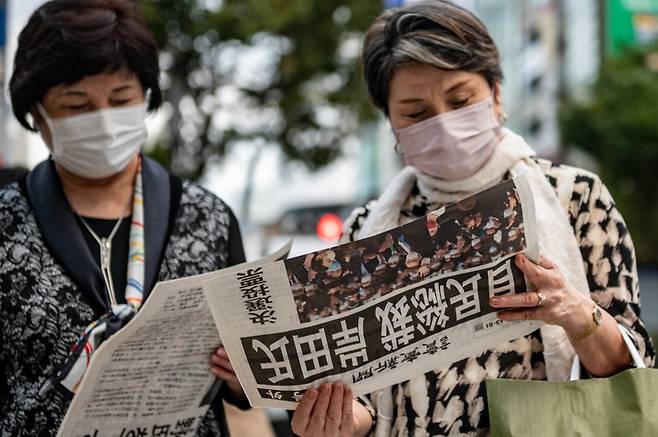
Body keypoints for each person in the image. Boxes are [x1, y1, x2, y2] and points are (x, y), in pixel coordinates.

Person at [291, 1, 655, 436]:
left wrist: (578, 315)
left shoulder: (574, 197)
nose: (443, 125)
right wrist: (344, 420)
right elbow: (365, 397)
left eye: (460, 99)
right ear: (392, 125)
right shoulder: (366, 231)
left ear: (496, 95)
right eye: (416, 113)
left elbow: (633, 366)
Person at [0, 1, 246, 435]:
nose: (103, 121)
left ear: (146, 97)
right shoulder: (6, 224)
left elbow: (246, 383)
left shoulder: (207, 218)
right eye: (76, 105)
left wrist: (245, 371)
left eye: (120, 99)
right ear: (37, 115)